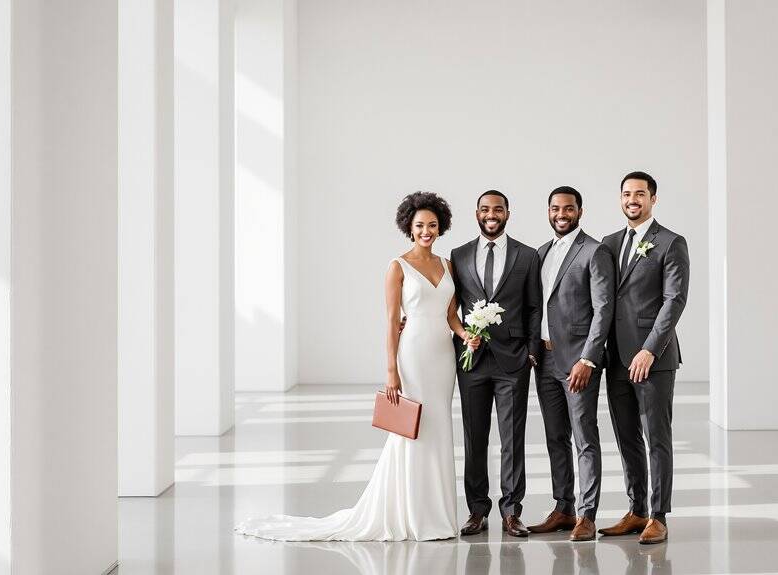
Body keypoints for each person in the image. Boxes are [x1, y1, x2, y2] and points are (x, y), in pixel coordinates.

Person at [234, 191, 479, 541]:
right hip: (412, 356)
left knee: (438, 428)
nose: (427, 231)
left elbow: (451, 315)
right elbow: (392, 320)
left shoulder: (447, 265)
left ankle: (437, 515)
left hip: (443, 356)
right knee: (411, 429)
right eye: (420, 225)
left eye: (433, 225)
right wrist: (391, 371)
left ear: (441, 228)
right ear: (409, 227)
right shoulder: (398, 266)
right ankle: (410, 514)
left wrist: (465, 335)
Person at [599, 172, 689, 544]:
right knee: (626, 437)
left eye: (640, 193)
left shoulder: (670, 243)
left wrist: (649, 349)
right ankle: (636, 510)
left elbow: (674, 301)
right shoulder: (609, 242)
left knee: (657, 436)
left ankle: (658, 515)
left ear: (653, 198)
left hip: (653, 358)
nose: (632, 199)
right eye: (626, 193)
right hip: (615, 357)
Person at [449, 190, 542, 538]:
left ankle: (511, 511)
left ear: (507, 213)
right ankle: (477, 510)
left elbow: (534, 307)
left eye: (498, 209)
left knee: (512, 438)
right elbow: (447, 304)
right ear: (476, 213)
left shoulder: (527, 255)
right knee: (474, 438)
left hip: (513, 361)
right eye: (485, 209)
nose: (492, 214)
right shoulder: (458, 256)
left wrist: (532, 351)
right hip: (471, 361)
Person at [527, 187, 614, 541]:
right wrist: (533, 349)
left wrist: (588, 359)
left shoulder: (595, 251)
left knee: (585, 438)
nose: (561, 213)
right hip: (544, 360)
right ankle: (563, 508)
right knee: (554, 437)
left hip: (578, 362)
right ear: (548, 211)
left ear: (580, 210)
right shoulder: (541, 252)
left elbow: (603, 308)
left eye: (568, 208)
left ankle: (586, 514)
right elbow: (537, 306)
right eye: (555, 208)